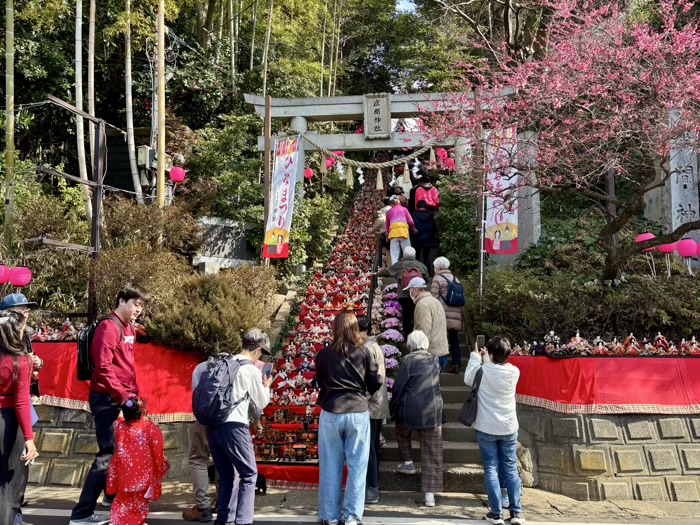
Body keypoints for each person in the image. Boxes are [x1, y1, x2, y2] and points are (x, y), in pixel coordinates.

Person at [70, 284, 149, 525]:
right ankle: (82, 513)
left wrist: (132, 396)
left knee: (118, 453)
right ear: (122, 300)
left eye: (142, 306)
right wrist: (123, 397)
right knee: (107, 453)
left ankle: (111, 499)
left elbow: (125, 365)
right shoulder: (109, 326)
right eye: (136, 304)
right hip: (107, 399)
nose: (138, 310)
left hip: (122, 397)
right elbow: (103, 369)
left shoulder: (128, 327)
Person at [195, 329, 273, 525]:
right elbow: (261, 402)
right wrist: (267, 385)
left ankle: (224, 520)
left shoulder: (223, 363)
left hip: (213, 426)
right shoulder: (250, 370)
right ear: (258, 349)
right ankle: (244, 521)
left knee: (227, 476)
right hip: (235, 427)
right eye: (262, 352)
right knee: (249, 474)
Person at [315, 313, 383, 525]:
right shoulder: (364, 351)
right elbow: (376, 380)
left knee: (329, 465)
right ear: (355, 329)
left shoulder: (324, 354)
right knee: (357, 466)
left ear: (335, 328)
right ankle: (353, 516)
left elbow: (319, 381)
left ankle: (330, 516)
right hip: (357, 410)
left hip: (332, 410)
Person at [465, 337, 524, 525]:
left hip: (486, 427)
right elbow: (496, 370)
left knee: (491, 468)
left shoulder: (482, 370)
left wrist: (475, 356)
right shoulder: (515, 372)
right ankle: (516, 513)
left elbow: (469, 378)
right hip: (508, 427)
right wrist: (488, 358)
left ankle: (496, 514)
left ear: (490, 353)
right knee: (510, 468)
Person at [389, 330, 443, 508]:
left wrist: (393, 407)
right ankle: (430, 497)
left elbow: (399, 386)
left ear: (410, 345)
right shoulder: (435, 359)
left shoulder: (408, 360)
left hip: (410, 410)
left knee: (402, 431)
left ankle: (409, 462)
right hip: (432, 411)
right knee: (432, 452)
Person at [0, 311, 39, 525]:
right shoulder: (20, 360)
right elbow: (22, 401)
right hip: (7, 422)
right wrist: (29, 438)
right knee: (9, 484)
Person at [106, 398, 170, 525]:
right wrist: (162, 465)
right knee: (139, 503)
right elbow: (158, 454)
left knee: (121, 501)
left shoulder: (119, 427)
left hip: (122, 474)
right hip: (142, 475)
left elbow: (120, 417)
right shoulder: (150, 429)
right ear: (143, 411)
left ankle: (118, 521)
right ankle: (135, 522)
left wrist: (126, 404)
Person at [357, 316, 389, 505]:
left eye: (356, 331)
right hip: (376, 404)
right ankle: (373, 485)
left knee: (369, 449)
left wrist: (361, 398)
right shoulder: (373, 347)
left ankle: (372, 488)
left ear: (364, 331)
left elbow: (373, 379)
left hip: (371, 405)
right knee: (372, 447)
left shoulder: (368, 349)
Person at [376, 247, 428, 336]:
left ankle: (408, 335)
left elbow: (388, 272)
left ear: (404, 255)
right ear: (414, 255)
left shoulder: (400, 264)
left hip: (404, 294)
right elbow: (426, 278)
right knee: (417, 313)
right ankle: (418, 335)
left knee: (406, 314)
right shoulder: (421, 265)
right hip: (417, 294)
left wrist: (376, 274)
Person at [0, 294, 44, 396]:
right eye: (22, 311)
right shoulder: (2, 334)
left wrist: (38, 362)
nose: (26, 315)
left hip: (23, 391)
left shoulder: (26, 332)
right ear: (8, 313)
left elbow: (28, 354)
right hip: (7, 395)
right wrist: (24, 361)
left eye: (27, 311)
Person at [404, 277, 449, 371]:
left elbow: (422, 332)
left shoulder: (422, 304)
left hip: (430, 355)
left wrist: (417, 353)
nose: (409, 293)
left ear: (415, 290)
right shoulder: (435, 301)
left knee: (425, 385)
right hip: (441, 351)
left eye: (410, 290)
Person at [430, 257, 464, 374]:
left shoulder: (437, 279)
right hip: (456, 312)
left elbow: (433, 298)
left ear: (438, 267)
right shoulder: (455, 279)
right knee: (454, 339)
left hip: (442, 313)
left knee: (440, 339)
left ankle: (440, 364)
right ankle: (456, 363)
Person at [385, 195, 417, 265]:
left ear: (390, 203)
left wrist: (387, 236)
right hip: (404, 233)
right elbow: (411, 221)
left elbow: (387, 226)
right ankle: (408, 268)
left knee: (394, 255)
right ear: (398, 202)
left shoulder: (388, 212)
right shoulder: (404, 209)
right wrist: (413, 229)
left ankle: (395, 272)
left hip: (393, 234)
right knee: (407, 253)